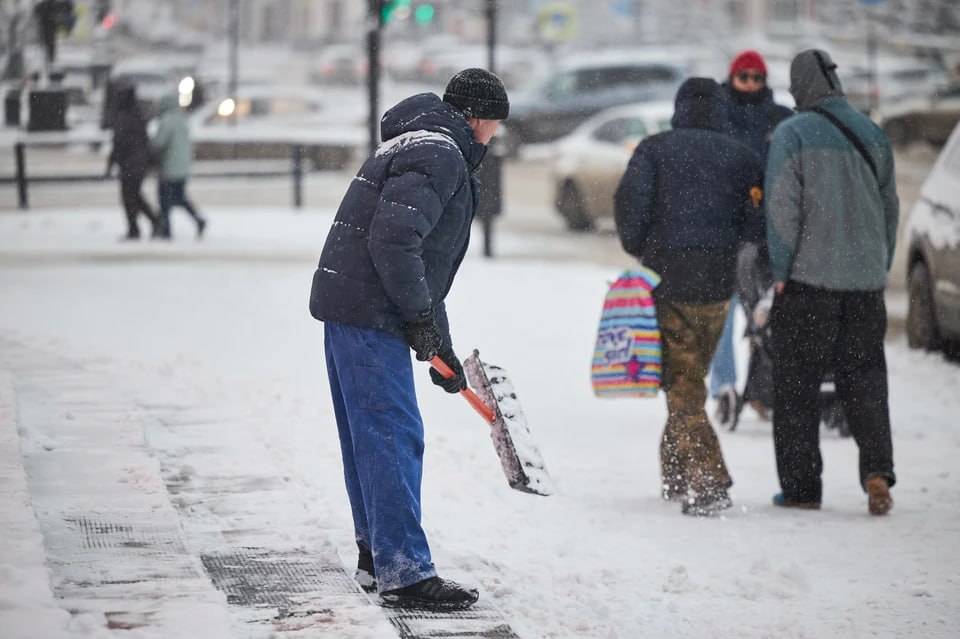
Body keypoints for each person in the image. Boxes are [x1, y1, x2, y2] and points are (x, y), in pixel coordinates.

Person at [308, 68, 509, 610]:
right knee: (392, 434)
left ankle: (379, 555)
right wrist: (419, 320)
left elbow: (421, 260)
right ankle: (404, 571)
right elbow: (395, 243)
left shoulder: (418, 142)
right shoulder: (442, 153)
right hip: (369, 310)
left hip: (354, 306)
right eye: (494, 124)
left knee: (370, 437)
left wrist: (436, 342)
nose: (494, 136)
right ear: (478, 117)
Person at [614, 78, 765, 516]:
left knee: (682, 384)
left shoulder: (654, 150)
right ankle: (676, 474)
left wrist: (644, 247)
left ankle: (708, 481)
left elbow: (630, 207)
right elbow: (756, 225)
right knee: (688, 376)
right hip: (719, 286)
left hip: (669, 280)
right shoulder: (743, 156)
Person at [764, 49, 899, 515]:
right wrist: (878, 265)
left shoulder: (792, 134)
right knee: (865, 379)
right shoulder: (872, 133)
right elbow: (889, 211)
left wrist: (780, 273)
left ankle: (802, 488)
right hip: (864, 285)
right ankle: (877, 471)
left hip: (808, 284)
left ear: (799, 87)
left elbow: (783, 211)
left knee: (797, 386)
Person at [710, 50, 794, 430]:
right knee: (724, 311)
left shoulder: (779, 119)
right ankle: (724, 386)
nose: (750, 83)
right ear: (731, 77)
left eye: (756, 77)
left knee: (764, 312)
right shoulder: (717, 115)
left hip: (766, 229)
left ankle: (763, 388)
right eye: (743, 76)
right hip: (725, 229)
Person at [104, 82, 159, 240]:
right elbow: (144, 140)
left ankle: (137, 227)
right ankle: (152, 221)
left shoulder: (122, 117)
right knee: (134, 196)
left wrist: (110, 164)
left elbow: (118, 144)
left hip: (129, 164)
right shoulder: (138, 114)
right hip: (139, 163)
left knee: (129, 197)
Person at [152, 93, 206, 240]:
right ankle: (198, 219)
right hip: (183, 167)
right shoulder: (183, 119)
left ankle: (166, 230)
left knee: (165, 200)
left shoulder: (167, 121)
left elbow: (159, 143)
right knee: (179, 197)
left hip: (169, 167)